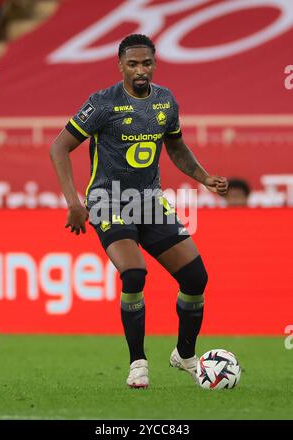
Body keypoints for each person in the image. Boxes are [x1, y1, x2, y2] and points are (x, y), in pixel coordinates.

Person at [50, 34, 228, 389]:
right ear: (120, 65)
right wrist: (74, 202)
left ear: (154, 64)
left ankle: (185, 356)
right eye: (132, 64)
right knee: (134, 273)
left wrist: (203, 176)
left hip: (149, 201)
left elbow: (176, 149)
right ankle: (138, 363)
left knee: (196, 279)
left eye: (146, 63)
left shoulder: (165, 101)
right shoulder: (102, 103)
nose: (140, 70)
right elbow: (59, 147)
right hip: (108, 200)